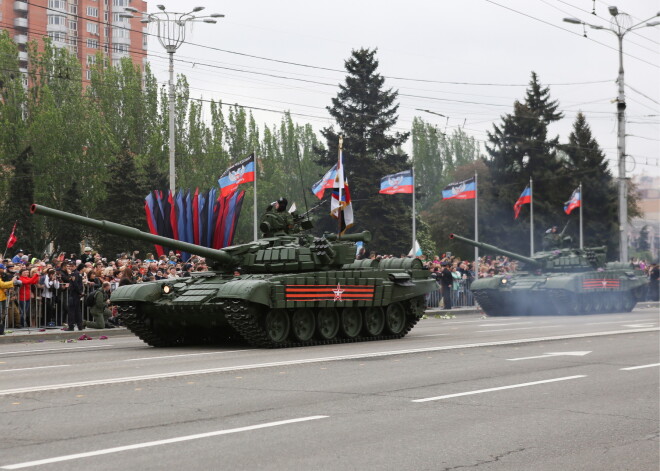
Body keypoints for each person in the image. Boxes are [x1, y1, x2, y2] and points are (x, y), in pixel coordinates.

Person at [63, 262, 85, 331]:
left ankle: (71, 326)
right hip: (76, 294)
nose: (70, 268)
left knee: (71, 311)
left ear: (75, 266)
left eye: (71, 266)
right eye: (69, 266)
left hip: (74, 294)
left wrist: (79, 292)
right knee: (77, 310)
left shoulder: (74, 274)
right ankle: (80, 325)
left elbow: (75, 284)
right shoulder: (78, 273)